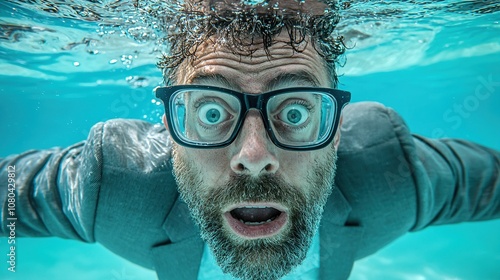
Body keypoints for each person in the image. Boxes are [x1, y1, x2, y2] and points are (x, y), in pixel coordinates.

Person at [1, 0, 499, 279]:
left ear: (337, 130)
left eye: (296, 109)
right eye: (211, 111)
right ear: (172, 132)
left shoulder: (391, 174)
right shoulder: (115, 186)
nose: (254, 157)